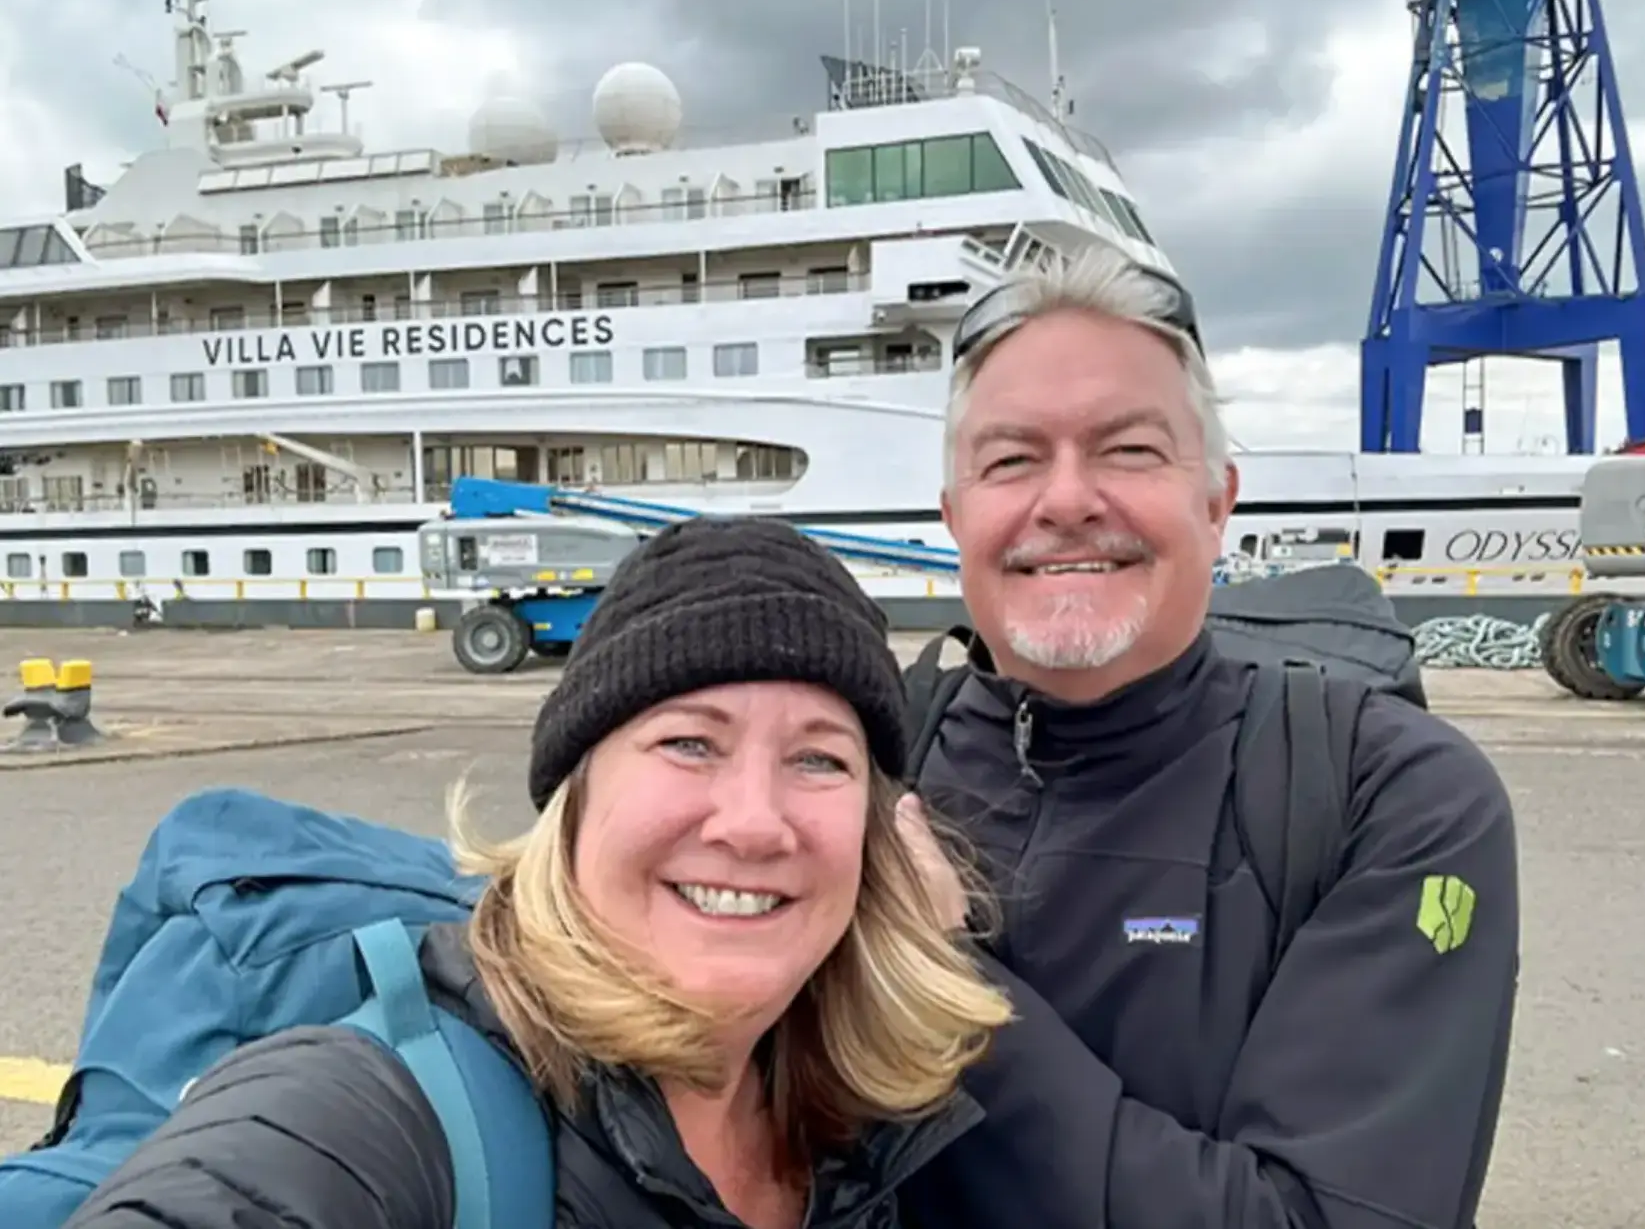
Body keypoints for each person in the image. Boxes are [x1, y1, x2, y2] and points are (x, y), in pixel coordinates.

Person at [61, 516, 1015, 1229]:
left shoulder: (862, 1117)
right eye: (689, 743)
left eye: (819, 759)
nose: (756, 823)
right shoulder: (381, 1114)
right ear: (575, 801)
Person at [892, 245, 1519, 1228]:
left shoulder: (1388, 797)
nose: (1064, 500)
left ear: (1218, 501)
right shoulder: (864, 760)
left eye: (1129, 450)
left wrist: (940, 982)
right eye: (1011, 460)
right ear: (954, 517)